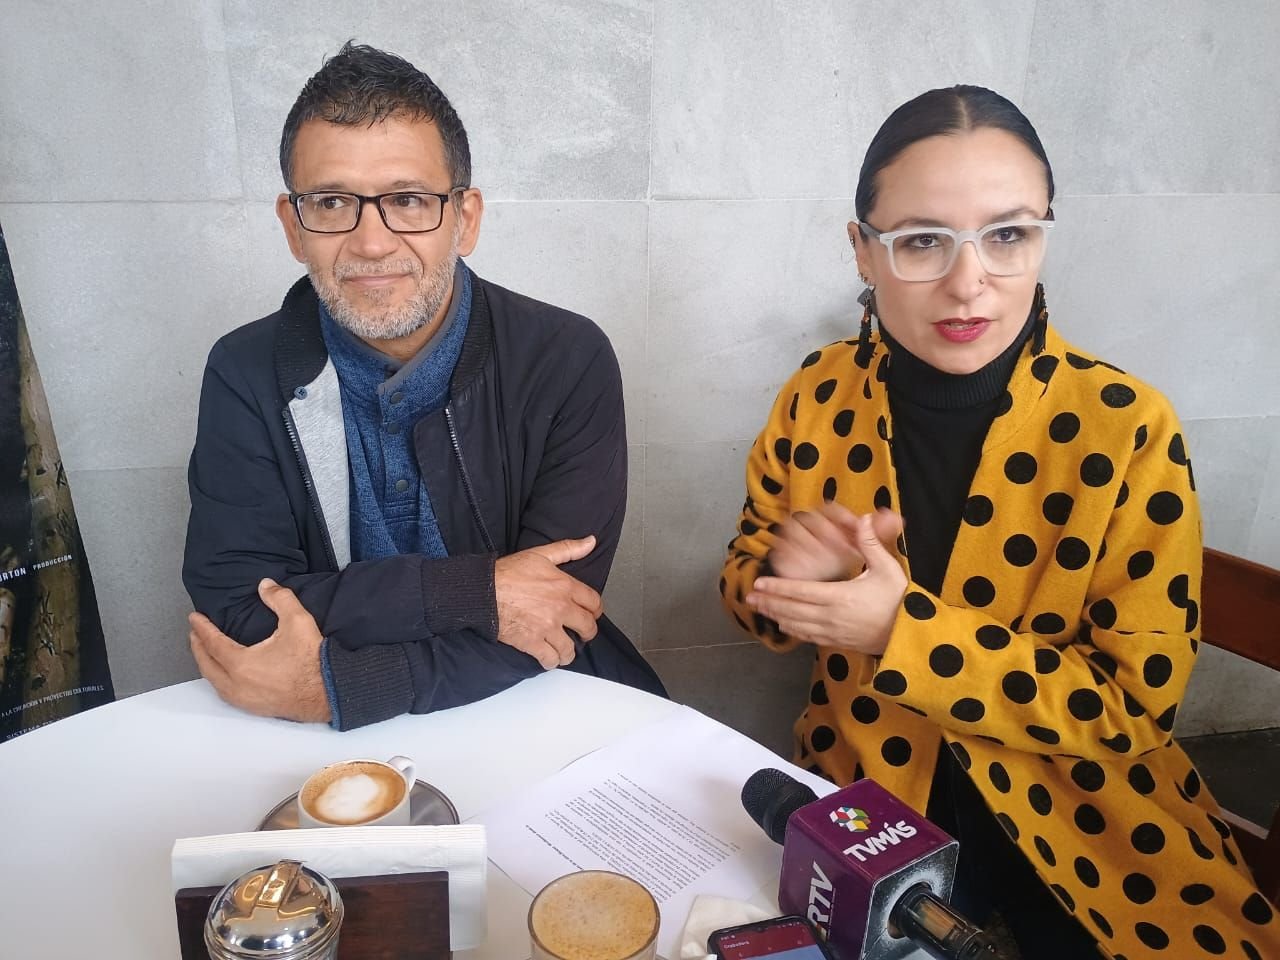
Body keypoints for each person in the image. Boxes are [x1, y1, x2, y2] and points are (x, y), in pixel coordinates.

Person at [721, 86, 1277, 959]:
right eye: (922, 241)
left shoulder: (1125, 426)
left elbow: (1135, 708)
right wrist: (784, 582)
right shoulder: (819, 392)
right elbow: (746, 587)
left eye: (1008, 234)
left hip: (1093, 827)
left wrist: (902, 633)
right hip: (866, 798)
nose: (968, 281)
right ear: (863, 250)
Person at [183, 42, 665, 731]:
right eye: (332, 202)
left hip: (540, 700)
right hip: (320, 744)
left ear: (465, 218)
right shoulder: (244, 370)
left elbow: (557, 609)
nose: (371, 242)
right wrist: (474, 591)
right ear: (294, 227)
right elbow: (241, 611)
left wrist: (345, 688)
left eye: (408, 200)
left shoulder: (566, 357)